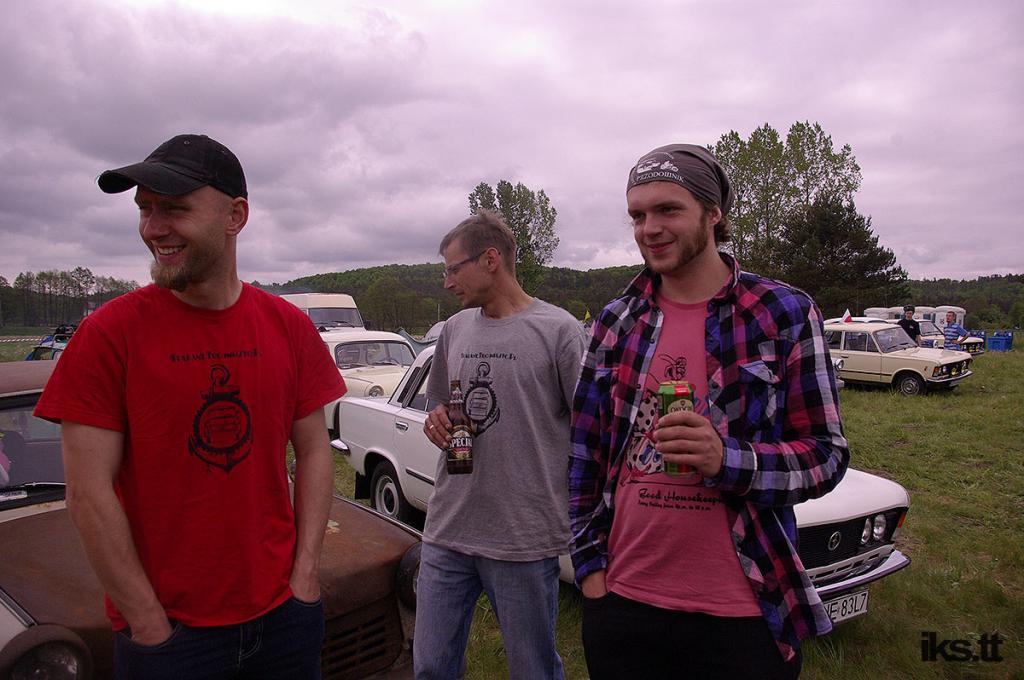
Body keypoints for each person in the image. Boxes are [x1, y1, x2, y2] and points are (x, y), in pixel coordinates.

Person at [34, 134, 346, 679]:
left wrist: (305, 574)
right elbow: (87, 492)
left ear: (235, 216)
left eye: (174, 209)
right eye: (145, 209)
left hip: (285, 617)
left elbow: (315, 450)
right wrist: (147, 622)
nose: (153, 228)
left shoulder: (288, 327)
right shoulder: (108, 335)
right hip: (171, 637)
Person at [569, 144, 849, 679]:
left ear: (713, 212)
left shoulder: (783, 313)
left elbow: (827, 455)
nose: (649, 228)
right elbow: (584, 455)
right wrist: (590, 570)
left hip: (746, 608)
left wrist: (727, 460)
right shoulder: (616, 321)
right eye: (637, 215)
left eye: (667, 210)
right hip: (624, 602)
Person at [414, 209, 586, 680]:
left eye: (454, 269)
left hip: (523, 538)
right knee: (430, 667)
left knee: (533, 669)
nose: (447, 282)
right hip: (448, 528)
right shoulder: (454, 329)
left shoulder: (559, 331)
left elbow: (590, 432)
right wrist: (436, 421)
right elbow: (440, 404)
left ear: (490, 260)